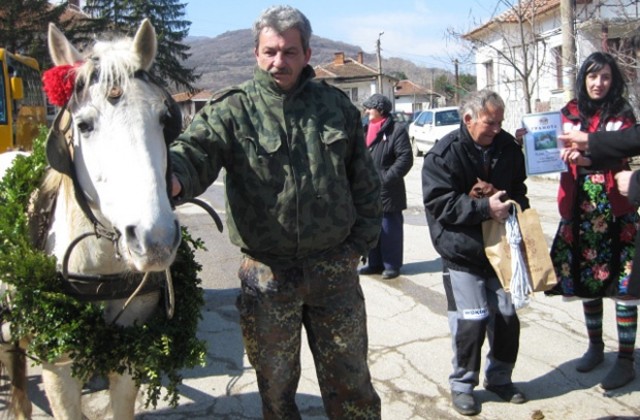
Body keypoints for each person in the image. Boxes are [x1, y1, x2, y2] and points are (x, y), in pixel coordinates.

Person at [169, 5, 382, 419]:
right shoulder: (232, 109)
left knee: (352, 385)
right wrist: (172, 177)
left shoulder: (336, 108)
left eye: (288, 52)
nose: (277, 62)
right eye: (269, 52)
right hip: (268, 277)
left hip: (333, 272)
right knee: (277, 392)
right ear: (255, 52)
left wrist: (358, 245)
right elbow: (194, 151)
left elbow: (366, 185)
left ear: (307, 54)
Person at [422, 89, 529, 416]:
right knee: (471, 320)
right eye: (490, 122)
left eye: (500, 122)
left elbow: (520, 190)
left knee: (508, 317)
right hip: (461, 250)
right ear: (468, 119)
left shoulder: (509, 147)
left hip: (501, 248)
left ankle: (499, 378)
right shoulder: (444, 154)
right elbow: (439, 203)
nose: (497, 128)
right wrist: (485, 208)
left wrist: (513, 208)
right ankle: (462, 385)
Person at [547, 52, 639, 390]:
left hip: (616, 208)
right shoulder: (568, 113)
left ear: (613, 81)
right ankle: (595, 347)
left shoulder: (622, 114)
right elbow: (549, 145)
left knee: (625, 284)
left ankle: (625, 359)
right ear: (583, 79)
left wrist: (587, 154)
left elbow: (621, 147)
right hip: (580, 207)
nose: (598, 83)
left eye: (605, 77)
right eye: (592, 76)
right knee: (589, 281)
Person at [358, 93, 413, 279]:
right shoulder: (365, 129)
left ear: (380, 110)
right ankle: (374, 263)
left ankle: (391, 265)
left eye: (369, 108)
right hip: (367, 190)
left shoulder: (396, 130)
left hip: (389, 190)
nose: (366, 111)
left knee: (390, 228)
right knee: (372, 227)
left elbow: (405, 158)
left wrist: (387, 178)